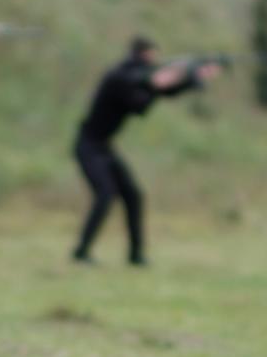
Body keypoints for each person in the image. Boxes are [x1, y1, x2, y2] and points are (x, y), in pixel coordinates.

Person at [71, 37, 222, 267]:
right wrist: (157, 84)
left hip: (104, 146)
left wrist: (192, 79)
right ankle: (81, 253)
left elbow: (155, 94)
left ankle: (136, 256)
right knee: (105, 195)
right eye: (153, 57)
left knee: (133, 195)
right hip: (88, 145)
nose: (156, 62)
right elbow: (140, 101)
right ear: (142, 55)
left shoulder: (137, 78)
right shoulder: (118, 77)